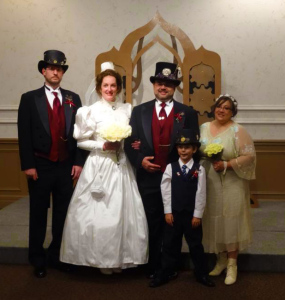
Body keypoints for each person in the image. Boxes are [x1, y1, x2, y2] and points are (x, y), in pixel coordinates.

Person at [60, 62, 148, 274]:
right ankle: (99, 259)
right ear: (99, 88)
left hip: (121, 166)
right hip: (99, 164)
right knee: (100, 213)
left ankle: (120, 257)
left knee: (122, 212)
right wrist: (102, 145)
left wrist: (133, 144)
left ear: (118, 87)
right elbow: (81, 141)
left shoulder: (127, 110)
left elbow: (132, 136)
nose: (110, 89)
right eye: (106, 85)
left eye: (113, 85)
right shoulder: (89, 111)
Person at [124, 62, 199, 278]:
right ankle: (152, 264)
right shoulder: (139, 111)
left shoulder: (187, 112)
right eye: (159, 82)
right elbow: (129, 143)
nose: (163, 87)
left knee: (173, 224)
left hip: (178, 180)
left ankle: (170, 266)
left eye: (168, 83)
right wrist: (140, 161)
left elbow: (194, 145)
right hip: (148, 178)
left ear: (175, 87)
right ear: (154, 85)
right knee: (152, 221)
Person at [17, 50, 85, 278]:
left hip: (65, 165)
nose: (56, 72)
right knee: (38, 213)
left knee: (62, 214)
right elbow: (24, 134)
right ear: (43, 71)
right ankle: (37, 259)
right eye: (51, 68)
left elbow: (79, 134)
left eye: (60, 69)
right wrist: (28, 165)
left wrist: (78, 162)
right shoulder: (29, 98)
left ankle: (56, 256)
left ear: (63, 72)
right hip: (40, 165)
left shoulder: (73, 98)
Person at [200, 94, 256, 285]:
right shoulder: (204, 127)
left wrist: (227, 165)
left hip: (232, 183)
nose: (221, 110)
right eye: (219, 106)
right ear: (214, 107)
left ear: (232, 112)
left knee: (231, 220)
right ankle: (221, 260)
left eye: (226, 108)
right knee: (214, 220)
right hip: (210, 182)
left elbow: (249, 156)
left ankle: (232, 264)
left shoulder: (237, 130)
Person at [149, 129, 215, 288]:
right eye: (180, 147)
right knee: (169, 244)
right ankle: (165, 273)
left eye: (187, 147)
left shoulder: (200, 169)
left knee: (196, 245)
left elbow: (201, 193)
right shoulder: (171, 168)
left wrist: (197, 215)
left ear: (194, 149)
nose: (183, 150)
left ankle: (201, 274)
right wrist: (168, 212)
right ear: (177, 149)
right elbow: (165, 191)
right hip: (174, 215)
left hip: (191, 216)